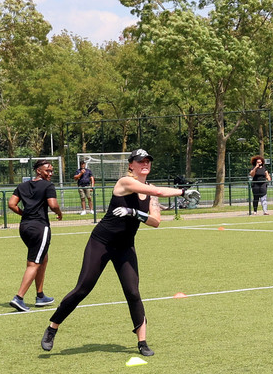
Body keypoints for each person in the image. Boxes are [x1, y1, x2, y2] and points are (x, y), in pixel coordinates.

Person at [40, 149, 186, 357]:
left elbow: (156, 222)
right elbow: (161, 193)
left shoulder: (150, 191)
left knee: (133, 292)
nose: (145, 163)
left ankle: (142, 342)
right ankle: (53, 328)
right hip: (101, 242)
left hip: (125, 246)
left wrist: (135, 212)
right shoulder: (125, 182)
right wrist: (182, 191)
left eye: (148, 161)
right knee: (83, 288)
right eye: (140, 161)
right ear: (131, 165)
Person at [7, 158, 63, 311]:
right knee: (34, 263)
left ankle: (40, 296)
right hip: (40, 227)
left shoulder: (22, 185)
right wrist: (59, 212)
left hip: (24, 227)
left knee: (42, 258)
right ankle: (19, 298)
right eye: (47, 170)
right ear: (39, 171)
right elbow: (53, 204)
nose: (50, 173)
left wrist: (25, 214)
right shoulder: (48, 186)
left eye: (51, 171)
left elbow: (11, 204)